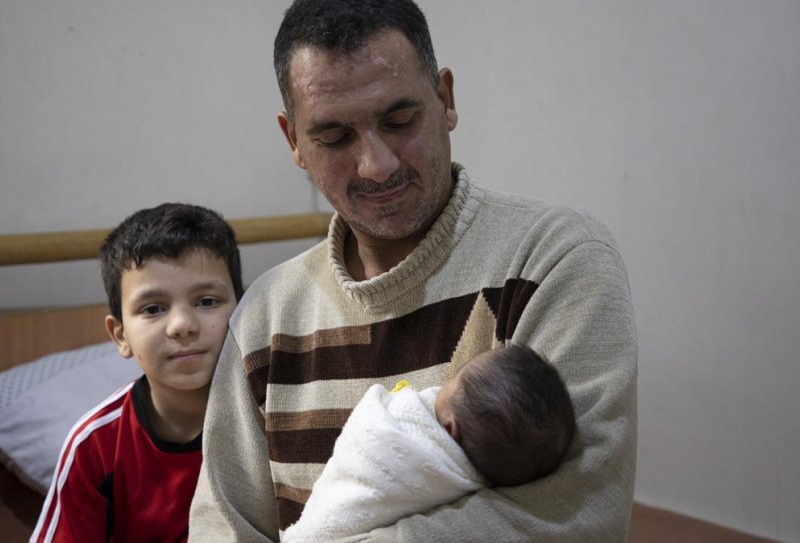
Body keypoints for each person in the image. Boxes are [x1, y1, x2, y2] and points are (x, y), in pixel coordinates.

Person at [189, 0, 638, 541]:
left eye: (399, 121)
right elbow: (222, 527)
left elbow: (575, 515)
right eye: (334, 138)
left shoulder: (553, 260)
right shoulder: (263, 319)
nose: (376, 165)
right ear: (294, 143)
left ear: (446, 99)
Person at [31, 203, 243, 543]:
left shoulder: (274, 417)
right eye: (153, 309)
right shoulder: (95, 447)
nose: (183, 326)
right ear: (120, 335)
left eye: (206, 301)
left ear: (243, 309)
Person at [281, 343, 577, 542]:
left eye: (455, 379)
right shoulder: (482, 481)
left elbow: (371, 435)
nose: (439, 387)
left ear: (450, 429)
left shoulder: (407, 446)